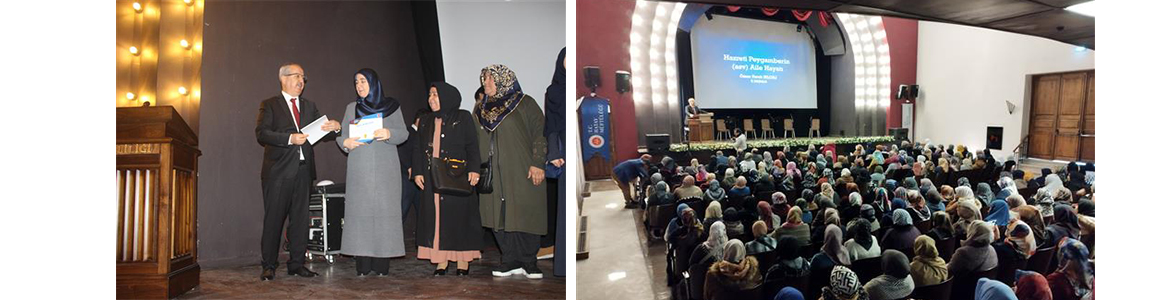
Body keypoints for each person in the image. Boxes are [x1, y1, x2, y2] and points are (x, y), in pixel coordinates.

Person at [254, 63, 341, 280]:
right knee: (274, 220)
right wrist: (289, 139)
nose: (301, 81)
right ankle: (269, 265)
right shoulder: (270, 105)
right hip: (278, 173)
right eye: (297, 76)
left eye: (303, 77)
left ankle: (296, 264)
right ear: (283, 78)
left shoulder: (309, 106)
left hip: (304, 172)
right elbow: (262, 133)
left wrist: (335, 128)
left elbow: (324, 133)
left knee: (301, 220)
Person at [474, 64, 548, 279]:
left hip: (523, 170)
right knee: (498, 216)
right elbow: (474, 141)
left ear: (503, 80)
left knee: (527, 214)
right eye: (484, 78)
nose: (485, 83)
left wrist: (538, 163)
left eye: (489, 79)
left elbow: (539, 134)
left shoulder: (525, 103)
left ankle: (529, 261)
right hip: (493, 174)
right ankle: (509, 260)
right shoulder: (480, 109)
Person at [337, 68, 409, 276]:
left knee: (384, 216)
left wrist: (389, 133)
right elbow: (341, 137)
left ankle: (381, 265)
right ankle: (362, 264)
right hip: (360, 169)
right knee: (361, 216)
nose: (359, 86)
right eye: (356, 82)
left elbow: (403, 133)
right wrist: (346, 142)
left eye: (363, 81)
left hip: (386, 170)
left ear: (374, 83)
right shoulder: (352, 108)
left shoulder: (392, 107)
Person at [411, 82, 483, 276]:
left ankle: (462, 262)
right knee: (436, 219)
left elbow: (472, 146)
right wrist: (417, 171)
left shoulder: (463, 117)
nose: (431, 99)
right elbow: (417, 148)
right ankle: (441, 262)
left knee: (459, 219)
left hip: (457, 177)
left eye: (435, 94)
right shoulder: (425, 120)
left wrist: (474, 170)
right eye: (429, 95)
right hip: (431, 179)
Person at [543, 48, 567, 277]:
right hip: (562, 147)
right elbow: (550, 125)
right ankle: (563, 266)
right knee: (564, 207)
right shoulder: (554, 91)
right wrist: (553, 152)